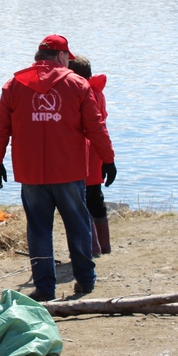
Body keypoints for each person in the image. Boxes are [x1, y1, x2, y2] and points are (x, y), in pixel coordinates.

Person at [0, 34, 117, 301]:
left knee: (38, 229)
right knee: (78, 225)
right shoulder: (77, 84)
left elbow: (0, 128)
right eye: (67, 58)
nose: (69, 63)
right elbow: (96, 126)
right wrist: (108, 158)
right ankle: (84, 280)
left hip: (31, 172)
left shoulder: (13, 85)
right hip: (68, 170)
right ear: (60, 56)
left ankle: (45, 287)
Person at [68, 55, 111, 256]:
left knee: (82, 203)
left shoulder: (84, 94)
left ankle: (91, 248)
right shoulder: (98, 92)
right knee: (95, 200)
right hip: (98, 154)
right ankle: (104, 246)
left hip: (85, 156)